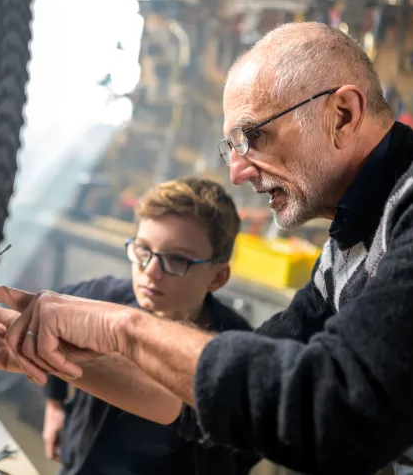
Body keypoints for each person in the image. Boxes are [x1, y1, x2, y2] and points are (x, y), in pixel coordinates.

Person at [0, 22, 413, 475]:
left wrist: (122, 328)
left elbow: (337, 413)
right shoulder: (345, 254)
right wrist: (55, 354)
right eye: (232, 148)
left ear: (342, 113)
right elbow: (208, 397)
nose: (239, 171)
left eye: (253, 137)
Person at [35, 177, 259, 475]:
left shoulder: (235, 343)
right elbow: (51, 323)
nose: (150, 272)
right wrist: (55, 405)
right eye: (143, 250)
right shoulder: (102, 300)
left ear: (217, 277)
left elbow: (250, 439)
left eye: (177, 258)